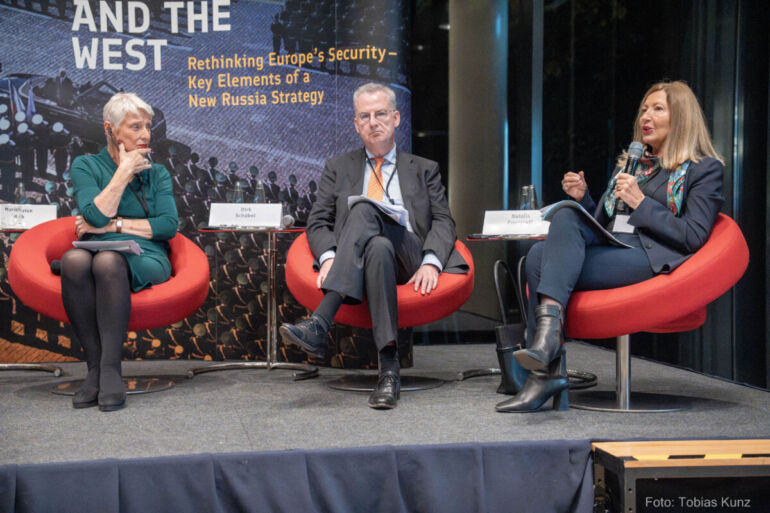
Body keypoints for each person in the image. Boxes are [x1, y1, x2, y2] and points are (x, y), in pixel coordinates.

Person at [496, 80, 724, 413]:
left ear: (681, 118)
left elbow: (693, 235)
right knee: (547, 241)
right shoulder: (630, 164)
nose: (646, 117)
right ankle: (547, 357)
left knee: (540, 260)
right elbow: (603, 223)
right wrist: (583, 199)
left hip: (648, 256)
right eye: (644, 109)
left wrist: (641, 202)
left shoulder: (704, 169)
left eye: (657, 109)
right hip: (614, 246)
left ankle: (545, 371)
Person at [279, 82, 468, 409]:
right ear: (356, 124)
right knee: (378, 246)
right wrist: (330, 257)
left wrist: (431, 262)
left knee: (364, 208)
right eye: (364, 116)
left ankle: (321, 320)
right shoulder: (338, 167)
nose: (373, 122)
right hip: (364, 260)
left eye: (380, 114)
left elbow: (444, 221)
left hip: (409, 256)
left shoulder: (424, 169)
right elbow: (317, 221)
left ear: (396, 118)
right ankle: (389, 372)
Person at [60, 92, 178, 412]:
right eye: (135, 127)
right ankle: (94, 368)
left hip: (147, 253)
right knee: (74, 261)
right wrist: (124, 171)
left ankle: (111, 369)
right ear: (110, 129)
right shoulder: (86, 165)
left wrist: (114, 225)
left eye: (148, 126)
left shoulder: (157, 172)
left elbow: (167, 225)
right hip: (95, 250)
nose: (145, 134)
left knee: (108, 261)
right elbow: (94, 216)